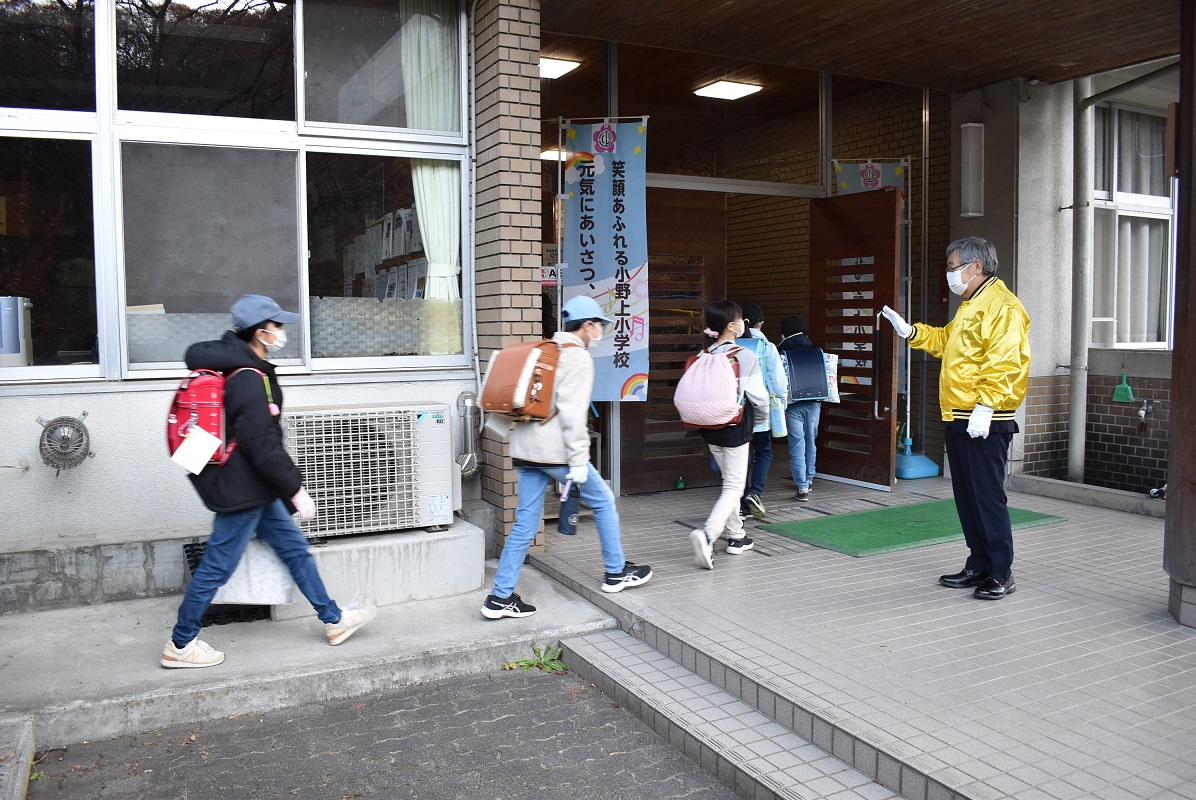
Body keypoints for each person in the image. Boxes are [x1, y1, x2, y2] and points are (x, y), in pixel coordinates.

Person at [162, 295, 378, 668]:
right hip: (244, 489)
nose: (281, 332)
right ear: (260, 331)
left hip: (255, 487)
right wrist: (294, 488)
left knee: (295, 550)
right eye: (276, 325)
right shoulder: (247, 376)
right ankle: (181, 644)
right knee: (217, 565)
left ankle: (334, 620)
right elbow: (261, 443)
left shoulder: (246, 368)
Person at [481, 295, 652, 619]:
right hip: (556, 453)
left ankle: (499, 598)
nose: (600, 330)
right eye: (599, 324)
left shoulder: (547, 351)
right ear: (588, 325)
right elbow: (573, 416)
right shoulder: (577, 358)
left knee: (524, 523)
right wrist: (577, 462)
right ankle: (616, 572)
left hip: (524, 450)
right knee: (602, 501)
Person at [881, 236, 1030, 600]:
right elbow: (949, 342)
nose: (950, 274)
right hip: (961, 413)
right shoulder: (972, 304)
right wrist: (912, 332)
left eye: (953, 267)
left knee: (987, 496)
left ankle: (1001, 572)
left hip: (985, 417)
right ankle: (979, 563)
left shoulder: (1003, 307)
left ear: (976, 267)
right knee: (966, 495)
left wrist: (987, 405)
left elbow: (1007, 361)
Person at [689, 300, 770, 570]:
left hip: (709, 428)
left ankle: (737, 536)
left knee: (729, 483)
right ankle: (708, 534)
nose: (743, 323)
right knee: (734, 487)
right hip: (736, 428)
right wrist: (759, 422)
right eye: (739, 319)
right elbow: (759, 399)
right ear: (732, 325)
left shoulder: (704, 355)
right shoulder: (743, 356)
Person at [736, 302, 788, 518]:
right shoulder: (767, 348)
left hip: (736, 410)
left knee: (739, 456)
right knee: (764, 451)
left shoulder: (731, 345)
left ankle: (738, 502)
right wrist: (782, 405)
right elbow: (778, 383)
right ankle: (754, 493)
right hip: (760, 411)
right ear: (761, 323)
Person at [776, 316, 820, 502]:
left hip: (793, 404)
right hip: (814, 401)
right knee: (811, 441)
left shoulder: (779, 354)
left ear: (784, 333)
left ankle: (802, 487)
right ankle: (809, 479)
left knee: (797, 444)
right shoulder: (815, 351)